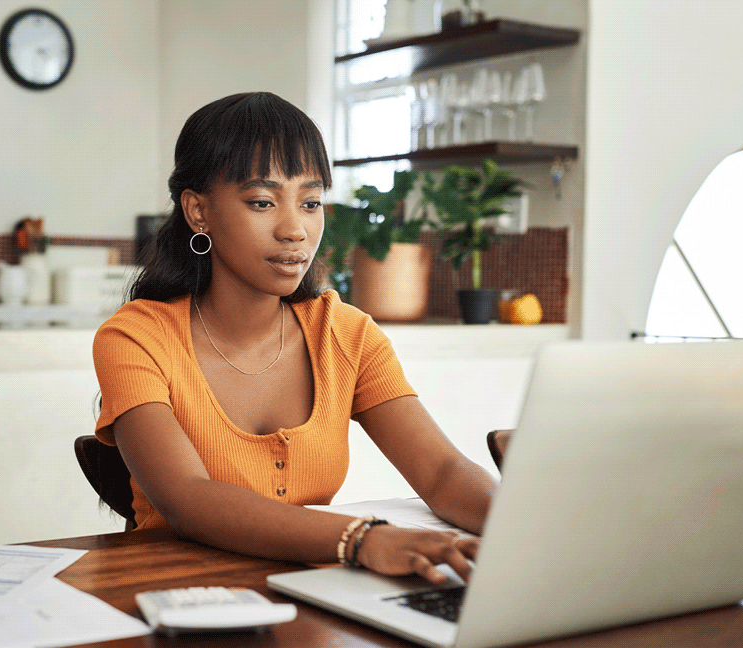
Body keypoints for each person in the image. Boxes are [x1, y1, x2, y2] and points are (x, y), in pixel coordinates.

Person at [93, 92, 497, 584]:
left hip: (315, 596)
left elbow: (442, 473)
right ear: (198, 211)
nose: (295, 230)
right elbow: (187, 499)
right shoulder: (137, 337)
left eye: (311, 203)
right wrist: (361, 539)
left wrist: (527, 527)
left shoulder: (345, 335)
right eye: (262, 202)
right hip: (175, 601)